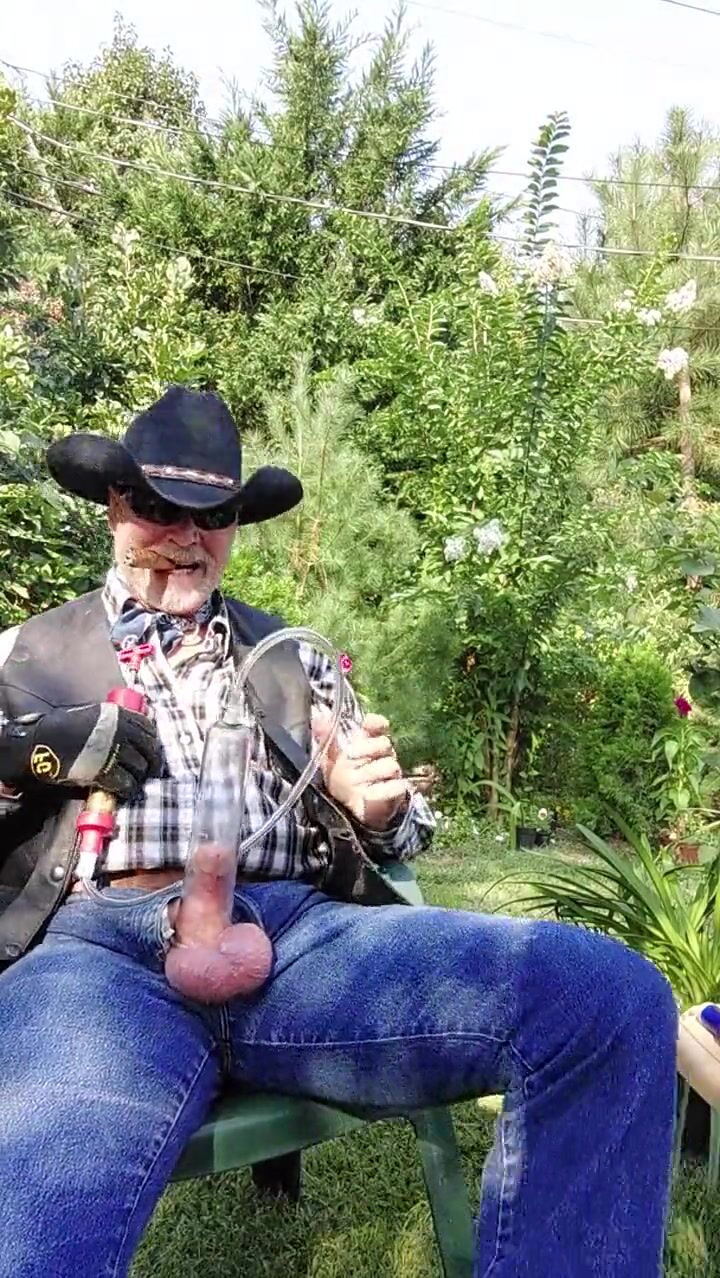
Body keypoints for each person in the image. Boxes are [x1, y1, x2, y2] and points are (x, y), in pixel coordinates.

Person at [0, 386, 677, 1278]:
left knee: (608, 999)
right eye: (161, 508)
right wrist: (29, 760)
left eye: (214, 515)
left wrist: (379, 809)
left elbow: (404, 832)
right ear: (115, 506)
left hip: (295, 941)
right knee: (39, 1215)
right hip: (102, 957)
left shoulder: (291, 656)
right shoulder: (24, 655)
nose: (188, 536)